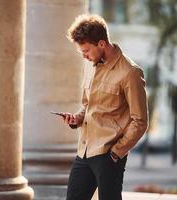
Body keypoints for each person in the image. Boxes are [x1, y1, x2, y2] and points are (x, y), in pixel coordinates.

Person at [62, 14, 148, 200]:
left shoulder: (130, 73)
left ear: (101, 43)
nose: (84, 55)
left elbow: (140, 121)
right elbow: (87, 105)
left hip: (108, 155)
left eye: (86, 50)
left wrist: (116, 153)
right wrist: (77, 118)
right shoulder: (90, 64)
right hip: (84, 152)